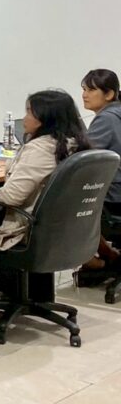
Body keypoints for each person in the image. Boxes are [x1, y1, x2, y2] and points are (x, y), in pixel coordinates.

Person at [0, 90, 92, 251]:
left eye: (29, 112)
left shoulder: (40, 149)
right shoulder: (75, 145)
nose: (24, 118)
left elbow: (11, 197)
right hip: (62, 229)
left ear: (45, 118)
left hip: (24, 232)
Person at [80, 69, 121, 270]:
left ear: (109, 94)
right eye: (83, 89)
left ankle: (97, 260)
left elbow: (83, 158)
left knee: (65, 206)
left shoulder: (106, 119)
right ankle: (109, 256)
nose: (84, 95)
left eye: (91, 90)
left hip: (115, 197)